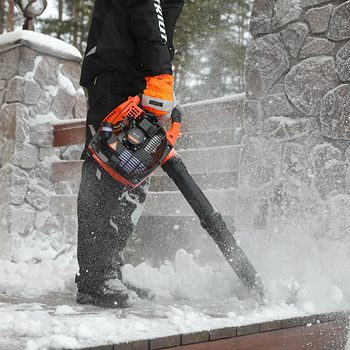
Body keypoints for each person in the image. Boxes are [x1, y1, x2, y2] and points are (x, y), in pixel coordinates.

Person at [75, 0, 184, 308]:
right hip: (118, 67)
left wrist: (157, 71)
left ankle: (110, 266)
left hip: (135, 69)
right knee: (108, 166)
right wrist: (160, 73)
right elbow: (147, 8)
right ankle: (96, 276)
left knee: (135, 169)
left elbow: (159, 22)